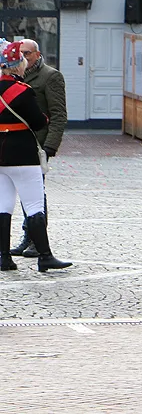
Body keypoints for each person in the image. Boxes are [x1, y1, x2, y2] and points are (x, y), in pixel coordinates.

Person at [0, 39, 69, 272]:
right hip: (24, 152)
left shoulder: (49, 77)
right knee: (34, 204)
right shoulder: (22, 90)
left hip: (1, 154)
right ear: (16, 65)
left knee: (3, 206)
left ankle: (4, 257)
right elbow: (39, 121)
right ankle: (45, 255)